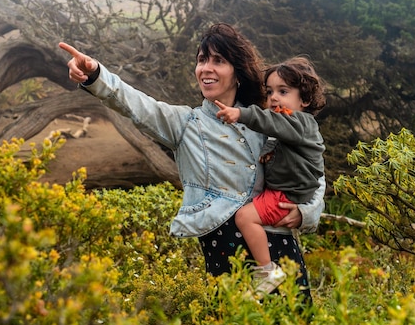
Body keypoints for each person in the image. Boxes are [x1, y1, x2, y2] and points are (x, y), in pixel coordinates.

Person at [58, 23, 324, 301]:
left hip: (281, 249)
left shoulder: (265, 119)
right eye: (201, 60)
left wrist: (307, 212)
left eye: (218, 61)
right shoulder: (186, 123)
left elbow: (311, 168)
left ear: (237, 73)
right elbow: (136, 104)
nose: (206, 68)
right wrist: (96, 76)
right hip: (225, 249)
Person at [215, 56, 326, 295]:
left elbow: (270, 122)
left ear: (305, 99)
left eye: (283, 91)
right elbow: (278, 137)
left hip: (288, 195)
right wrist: (268, 152)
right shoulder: (291, 127)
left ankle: (267, 271)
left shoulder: (301, 123)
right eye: (270, 92)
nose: (274, 97)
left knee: (245, 217)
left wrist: (240, 114)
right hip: (287, 191)